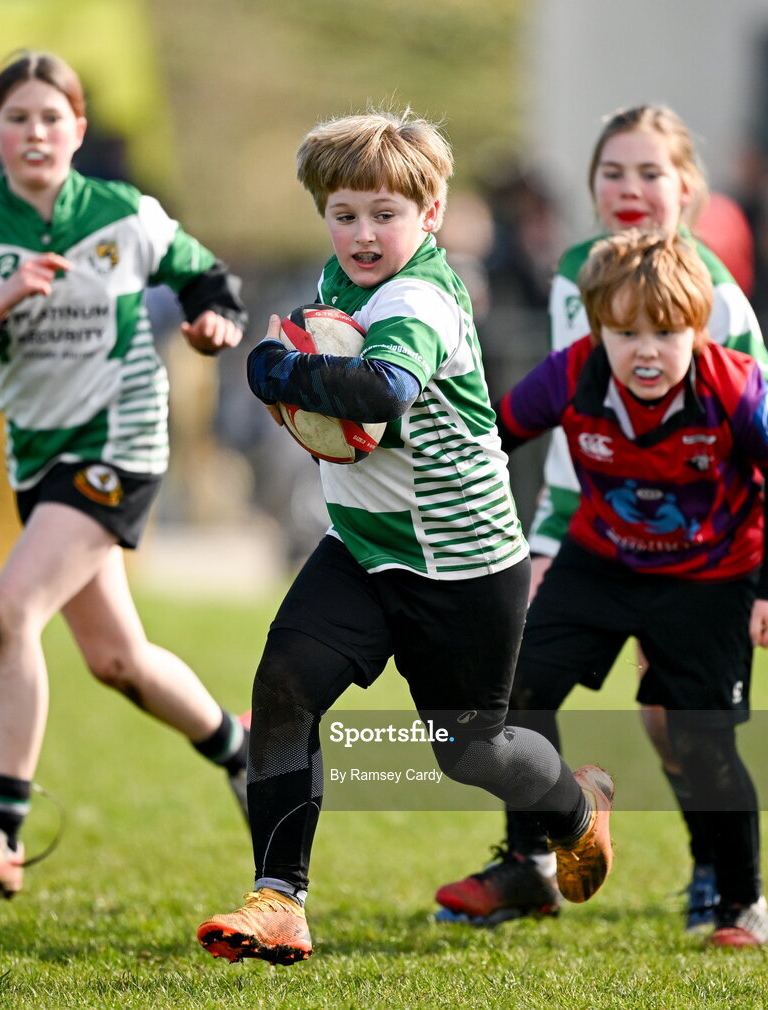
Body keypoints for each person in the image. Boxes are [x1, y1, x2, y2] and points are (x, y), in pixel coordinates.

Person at [195, 108, 615, 965]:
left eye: (385, 213)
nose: (362, 232)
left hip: (460, 566)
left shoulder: (418, 294)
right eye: (344, 213)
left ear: (429, 213)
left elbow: (382, 391)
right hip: (360, 546)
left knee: (469, 750)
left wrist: (281, 371)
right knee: (284, 689)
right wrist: (297, 382)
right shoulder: (340, 280)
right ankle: (280, 900)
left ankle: (575, 807)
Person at [436, 105, 768, 934]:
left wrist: (754, 575)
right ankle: (534, 862)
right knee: (516, 683)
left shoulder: (717, 295)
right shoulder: (571, 272)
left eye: (650, 173)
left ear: (688, 190)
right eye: (612, 173)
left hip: (697, 551)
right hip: (577, 525)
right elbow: (550, 404)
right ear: (590, 188)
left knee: (675, 723)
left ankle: (720, 877)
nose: (630, 189)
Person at [0, 50, 249, 899]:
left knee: (7, 610)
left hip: (119, 447)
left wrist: (214, 321)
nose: (36, 132)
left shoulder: (125, 215)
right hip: (41, 462)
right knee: (119, 661)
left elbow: (210, 279)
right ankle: (245, 754)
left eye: (51, 117)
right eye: (18, 118)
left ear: (79, 130)